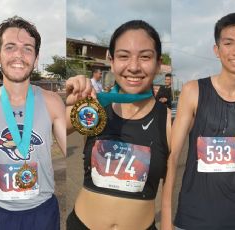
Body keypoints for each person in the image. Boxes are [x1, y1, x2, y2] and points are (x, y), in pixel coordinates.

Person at [161, 12, 235, 230]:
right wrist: (166, 218)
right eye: (228, 43)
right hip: (193, 215)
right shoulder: (193, 91)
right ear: (217, 50)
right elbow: (172, 155)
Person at [0, 16, 66, 230]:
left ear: (36, 58)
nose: (19, 55)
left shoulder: (53, 102)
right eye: (10, 47)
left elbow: (74, 148)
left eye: (27, 48)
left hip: (42, 212)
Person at [65, 20, 171, 230]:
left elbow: (167, 203)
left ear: (158, 64)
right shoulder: (93, 108)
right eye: (124, 56)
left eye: (145, 57)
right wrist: (68, 98)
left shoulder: (168, 121)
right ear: (112, 62)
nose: (133, 67)